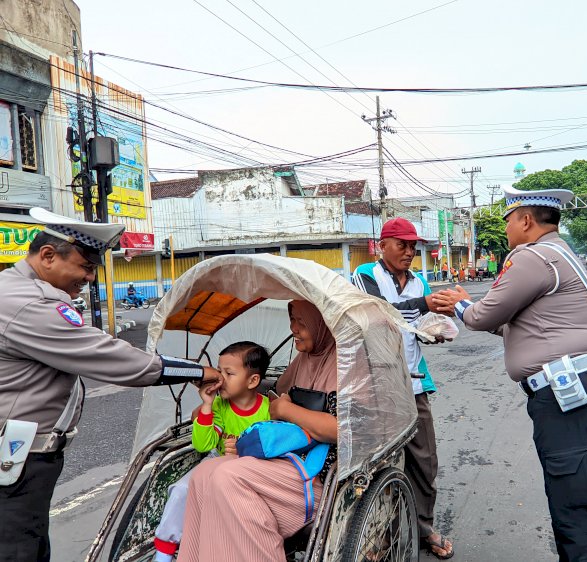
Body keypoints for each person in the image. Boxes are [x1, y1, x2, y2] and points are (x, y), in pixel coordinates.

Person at [0, 208, 219, 562]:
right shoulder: (28, 303)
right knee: (17, 549)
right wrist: (199, 372)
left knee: (31, 542)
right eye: (85, 266)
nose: (89, 277)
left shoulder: (20, 292)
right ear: (48, 256)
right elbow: (113, 359)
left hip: (27, 453)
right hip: (15, 456)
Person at [433, 186, 587, 561]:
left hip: (567, 395)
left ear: (526, 220)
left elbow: (481, 316)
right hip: (583, 387)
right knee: (576, 500)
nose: (506, 230)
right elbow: (524, 325)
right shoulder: (561, 252)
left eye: (508, 221)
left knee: (577, 511)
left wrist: (458, 304)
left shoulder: (532, 257)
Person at [177, 300, 338, 562]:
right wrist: (216, 396)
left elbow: (342, 430)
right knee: (204, 473)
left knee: (228, 475)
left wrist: (285, 411)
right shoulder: (304, 358)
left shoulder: (347, 361)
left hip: (322, 473)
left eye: (301, 321)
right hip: (287, 457)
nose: (292, 327)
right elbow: (271, 391)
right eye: (291, 318)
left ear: (321, 321)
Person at [352, 217, 454, 560]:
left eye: (413, 246)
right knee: (380, 464)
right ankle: (383, 533)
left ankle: (424, 526)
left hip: (414, 381)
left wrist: (435, 330)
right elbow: (378, 315)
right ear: (383, 245)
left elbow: (419, 326)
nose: (410, 252)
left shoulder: (419, 281)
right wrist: (425, 306)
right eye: (402, 245)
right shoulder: (366, 274)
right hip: (377, 384)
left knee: (425, 460)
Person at [152, 342, 271, 562]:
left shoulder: (268, 409)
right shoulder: (219, 407)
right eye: (219, 370)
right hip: (215, 461)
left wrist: (245, 448)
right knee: (179, 491)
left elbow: (273, 446)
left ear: (253, 380)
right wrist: (207, 405)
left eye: (229, 373)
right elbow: (203, 445)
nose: (220, 378)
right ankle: (163, 554)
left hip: (251, 470)